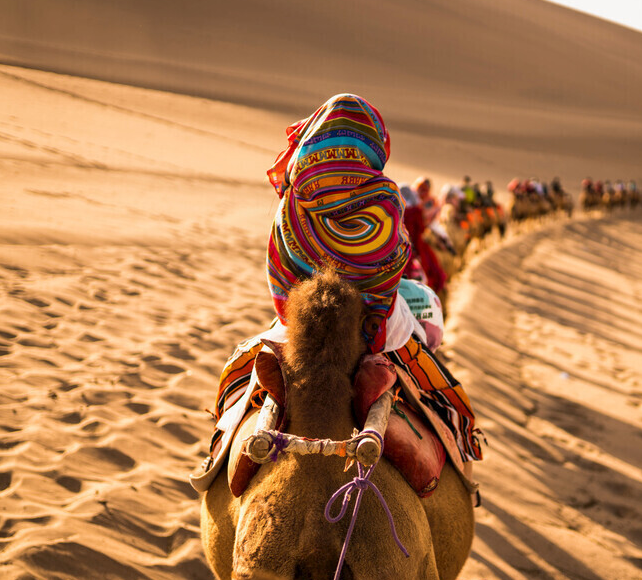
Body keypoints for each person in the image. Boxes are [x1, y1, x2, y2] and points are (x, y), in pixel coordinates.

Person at [197, 94, 483, 494]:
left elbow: (276, 268)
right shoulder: (384, 198)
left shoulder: (292, 200)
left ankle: (215, 452)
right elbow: (396, 259)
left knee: (237, 375)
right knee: (436, 381)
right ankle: (461, 443)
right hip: (371, 328)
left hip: (298, 319)